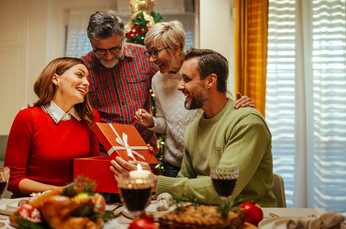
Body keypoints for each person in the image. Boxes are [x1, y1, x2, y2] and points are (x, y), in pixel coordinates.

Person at [111, 48, 277, 207]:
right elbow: (181, 184)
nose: (180, 86)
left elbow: (222, 189)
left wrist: (155, 182)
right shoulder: (192, 130)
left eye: (187, 79)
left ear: (211, 81)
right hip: (206, 218)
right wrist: (147, 175)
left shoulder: (246, 122)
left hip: (254, 220)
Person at [135, 21, 255, 177]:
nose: (151, 59)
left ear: (176, 49)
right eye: (149, 53)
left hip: (204, 162)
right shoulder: (157, 80)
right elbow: (165, 124)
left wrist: (243, 107)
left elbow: (223, 106)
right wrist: (152, 123)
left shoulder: (200, 69)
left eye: (155, 52)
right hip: (175, 164)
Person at [4, 57, 100, 198]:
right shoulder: (28, 117)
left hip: (75, 205)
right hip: (31, 207)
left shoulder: (90, 118)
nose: (86, 83)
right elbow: (13, 180)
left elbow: (93, 173)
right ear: (56, 79)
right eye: (80, 75)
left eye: (87, 78)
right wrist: (60, 191)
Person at [82, 10, 158, 152]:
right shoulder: (83, 67)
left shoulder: (144, 57)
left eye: (114, 49)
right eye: (100, 51)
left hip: (144, 148)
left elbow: (170, 84)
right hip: (105, 151)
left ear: (123, 38)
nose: (109, 57)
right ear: (91, 43)